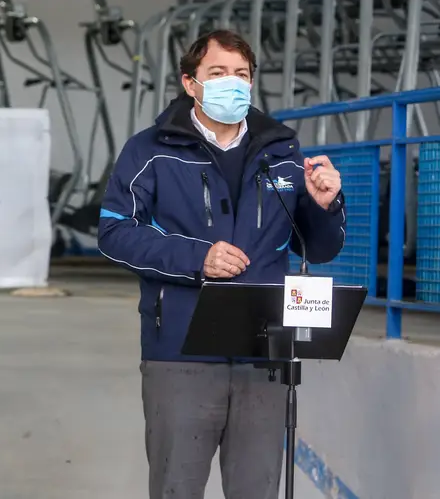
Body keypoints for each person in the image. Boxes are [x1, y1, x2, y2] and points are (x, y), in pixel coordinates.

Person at [98, 30, 345, 499]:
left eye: (241, 74)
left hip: (264, 352)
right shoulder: (150, 150)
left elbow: (319, 247)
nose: (232, 83)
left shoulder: (282, 151)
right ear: (191, 83)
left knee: (257, 489)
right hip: (180, 350)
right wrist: (198, 257)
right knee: (178, 488)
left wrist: (324, 206)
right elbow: (114, 233)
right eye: (217, 73)